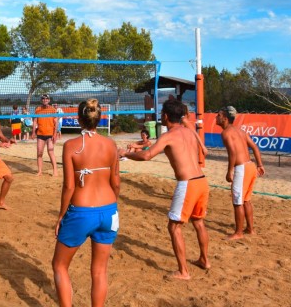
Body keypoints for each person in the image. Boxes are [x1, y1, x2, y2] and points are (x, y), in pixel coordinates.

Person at [119, 99, 210, 280]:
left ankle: (183, 271)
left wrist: (125, 154)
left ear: (166, 116)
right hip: (202, 181)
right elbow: (203, 150)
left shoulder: (168, 136)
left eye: (161, 114)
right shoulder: (189, 132)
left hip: (188, 183)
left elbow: (147, 155)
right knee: (198, 222)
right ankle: (204, 260)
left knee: (174, 227)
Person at [52, 98, 120, 307]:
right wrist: (111, 206)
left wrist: (61, 215)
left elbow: (69, 187)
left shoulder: (71, 146)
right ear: (99, 119)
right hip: (109, 211)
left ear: (79, 119)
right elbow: (116, 183)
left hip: (82, 211)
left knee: (59, 266)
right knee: (99, 271)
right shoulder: (111, 145)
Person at [216, 106, 266, 240]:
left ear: (225, 118)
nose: (216, 117)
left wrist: (229, 171)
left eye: (219, 115)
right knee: (246, 200)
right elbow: (255, 147)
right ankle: (250, 229)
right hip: (250, 166)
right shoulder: (240, 131)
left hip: (241, 168)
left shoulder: (226, 133)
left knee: (237, 201)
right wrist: (260, 164)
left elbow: (232, 153)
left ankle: (238, 232)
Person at [32, 94, 58, 176]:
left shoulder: (53, 110)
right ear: (41, 100)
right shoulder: (38, 109)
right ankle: (39, 171)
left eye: (46, 99)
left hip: (50, 134)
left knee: (51, 152)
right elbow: (35, 121)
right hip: (40, 134)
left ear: (49, 100)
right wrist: (33, 132)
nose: (45, 100)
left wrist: (55, 134)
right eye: (43, 99)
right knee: (39, 153)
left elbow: (56, 123)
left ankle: (55, 171)